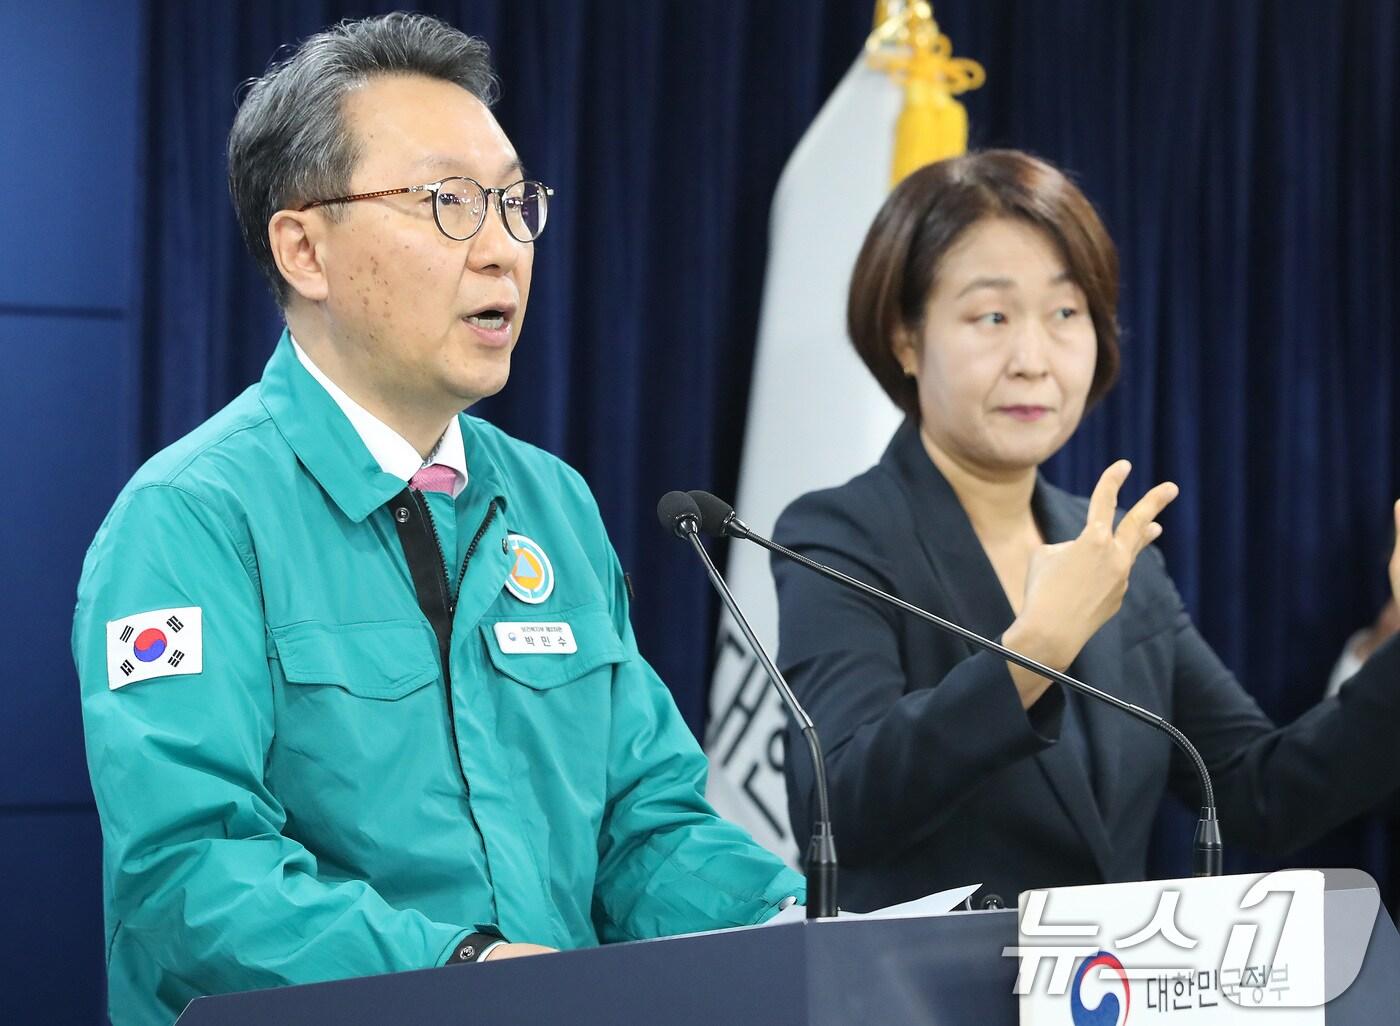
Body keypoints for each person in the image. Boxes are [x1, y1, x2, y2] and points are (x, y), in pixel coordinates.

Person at [73, 14, 802, 1026]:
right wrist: (466, 970)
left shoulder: (552, 502)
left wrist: (791, 929)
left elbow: (642, 827)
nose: (503, 251)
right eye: (447, 203)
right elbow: (189, 876)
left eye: (514, 203)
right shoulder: (191, 520)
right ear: (305, 249)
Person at [771, 149, 1400, 913]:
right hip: (920, 979)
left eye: (1066, 314)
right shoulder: (841, 534)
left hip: (1105, 979)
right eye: (992, 316)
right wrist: (1035, 650)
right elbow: (836, 804)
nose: (1032, 360)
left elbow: (1258, 793)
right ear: (906, 338)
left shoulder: (1108, 549)